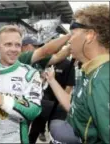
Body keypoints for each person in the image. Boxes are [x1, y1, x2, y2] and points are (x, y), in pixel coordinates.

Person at [45, 4, 109, 144]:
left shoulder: (103, 80)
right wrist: (52, 80)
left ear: (90, 35)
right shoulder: (89, 71)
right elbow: (74, 106)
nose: (69, 40)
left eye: (73, 34)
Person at [29, 58, 75, 143]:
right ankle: (39, 134)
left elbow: (69, 86)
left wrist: (62, 103)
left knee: (54, 128)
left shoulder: (68, 64)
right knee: (35, 128)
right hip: (45, 99)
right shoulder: (48, 61)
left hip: (58, 102)